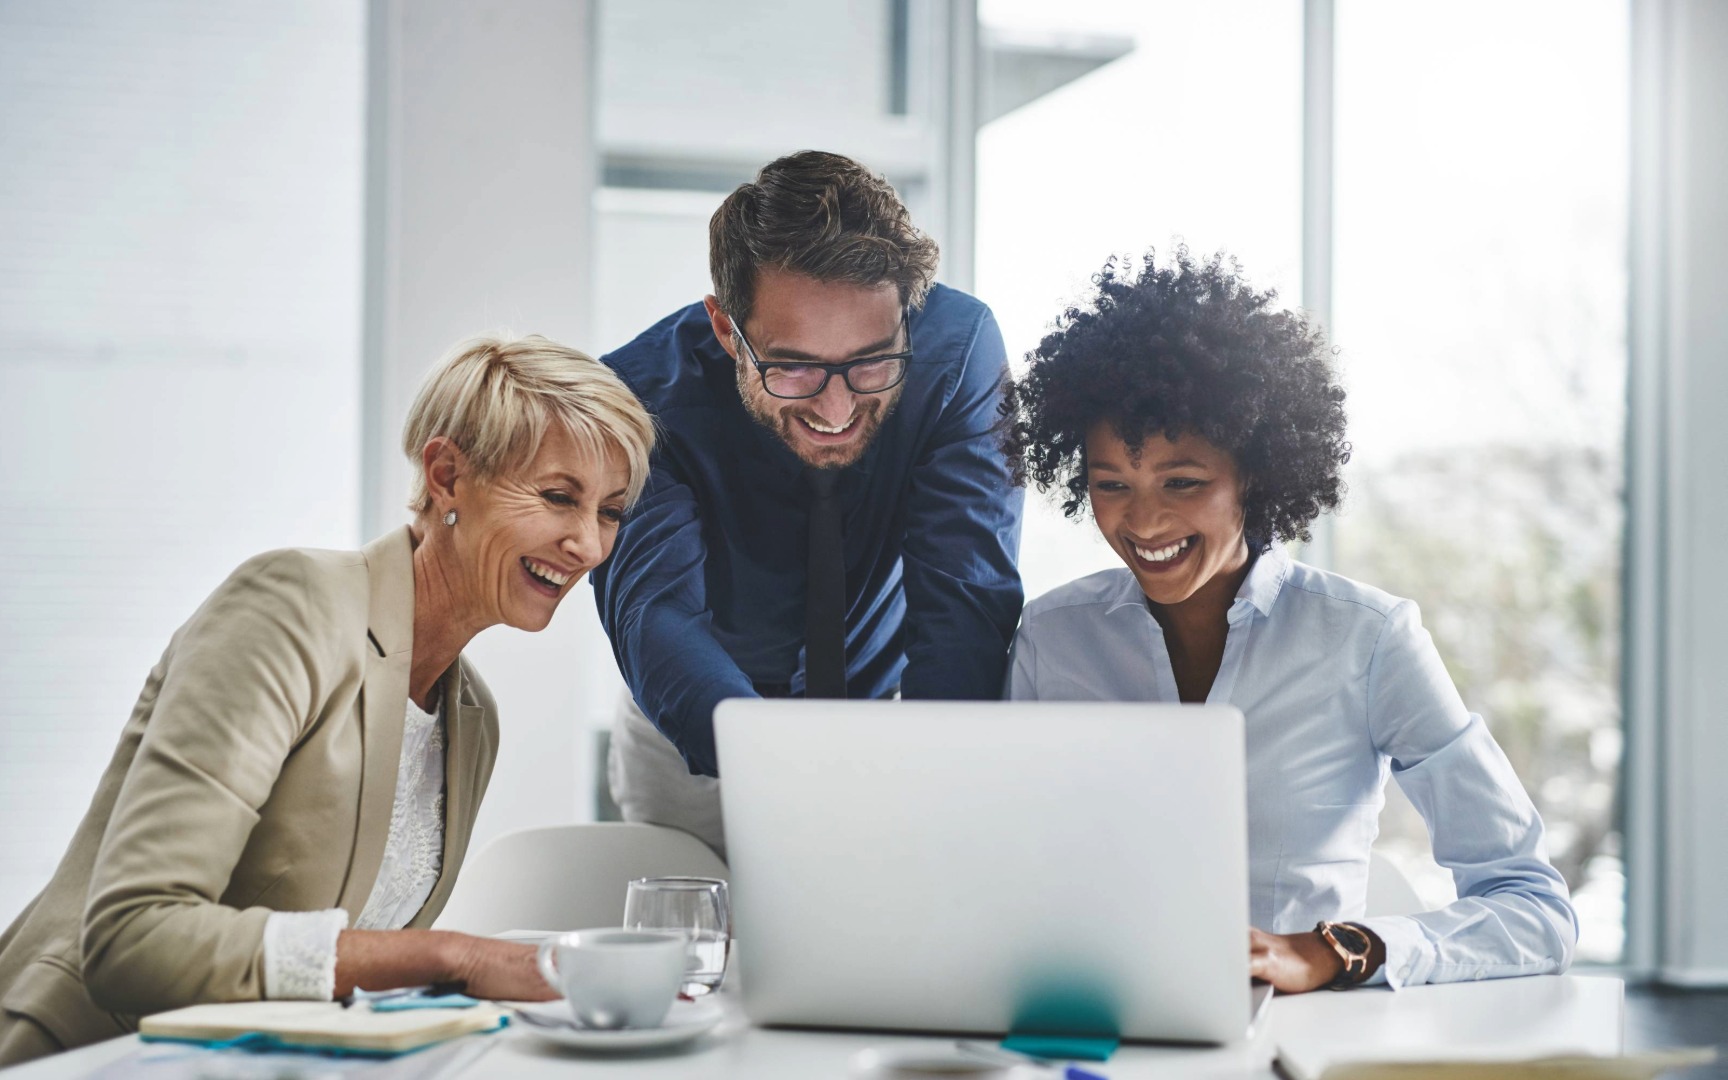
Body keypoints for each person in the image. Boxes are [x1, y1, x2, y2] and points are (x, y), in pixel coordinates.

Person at [0, 335, 656, 1065]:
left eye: (610, 512)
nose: (590, 546)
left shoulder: (473, 719)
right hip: (87, 1057)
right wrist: (448, 956)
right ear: (446, 476)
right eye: (559, 497)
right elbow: (134, 937)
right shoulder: (292, 607)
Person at [1003, 250, 1576, 992]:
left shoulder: (1367, 641)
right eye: (1112, 484)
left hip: (1296, 1037)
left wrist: (1329, 951)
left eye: (1183, 482)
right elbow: (1005, 868)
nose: (1142, 520)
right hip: (1096, 1022)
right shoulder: (1053, 640)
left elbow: (1534, 908)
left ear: (1256, 473)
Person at [595, 151, 1022, 853]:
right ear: (726, 328)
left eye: (870, 361)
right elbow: (656, 612)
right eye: (793, 366)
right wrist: (788, 776)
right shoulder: (637, 396)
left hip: (890, 723)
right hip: (695, 745)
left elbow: (965, 599)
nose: (836, 405)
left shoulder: (957, 352)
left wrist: (938, 783)